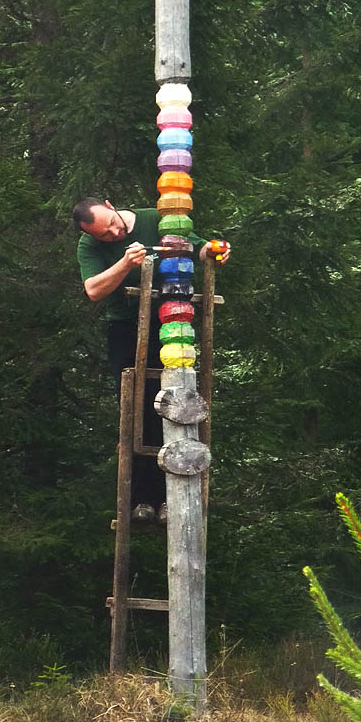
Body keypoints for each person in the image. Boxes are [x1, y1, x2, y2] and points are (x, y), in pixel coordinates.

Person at [73, 198, 230, 522]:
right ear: (91, 235)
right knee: (137, 410)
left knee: (176, 405)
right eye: (105, 235)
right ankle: (142, 499)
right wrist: (125, 264)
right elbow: (93, 290)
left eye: (113, 224)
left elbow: (196, 247)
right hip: (126, 328)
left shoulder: (154, 219)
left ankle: (172, 497)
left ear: (111, 206)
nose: (114, 234)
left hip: (172, 323)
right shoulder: (88, 246)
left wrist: (215, 251)